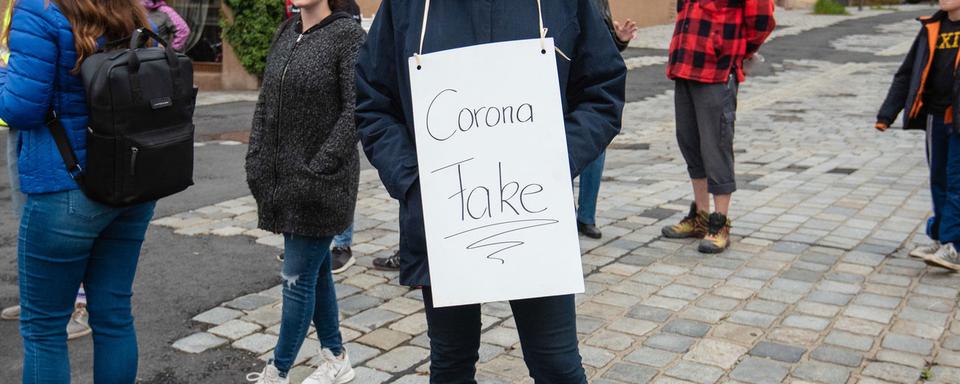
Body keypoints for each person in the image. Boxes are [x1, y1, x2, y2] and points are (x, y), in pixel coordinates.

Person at [356, 1, 626, 382]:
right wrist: (415, 182)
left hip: (534, 215)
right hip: (444, 219)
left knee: (557, 366)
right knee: (451, 363)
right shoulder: (408, 5)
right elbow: (373, 102)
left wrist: (554, 159)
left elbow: (603, 91)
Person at [0, 0, 158, 382]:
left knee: (44, 329)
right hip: (131, 183)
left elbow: (20, 108)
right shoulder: (129, 8)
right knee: (114, 316)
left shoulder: (37, 10)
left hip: (64, 187)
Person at [243, 0, 364, 382]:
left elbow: (356, 110)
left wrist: (321, 166)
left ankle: (277, 372)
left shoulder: (348, 37)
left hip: (323, 185)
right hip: (285, 181)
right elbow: (265, 103)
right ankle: (335, 356)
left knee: (295, 278)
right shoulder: (287, 31)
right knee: (315, 271)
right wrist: (255, 156)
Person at [660, 0, 775, 253]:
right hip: (685, 67)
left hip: (717, 71)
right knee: (690, 143)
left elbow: (762, 21)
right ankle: (701, 217)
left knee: (716, 146)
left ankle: (719, 222)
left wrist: (734, 51)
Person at [877, 0, 960, 270]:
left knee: (956, 180)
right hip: (935, 117)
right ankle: (940, 238)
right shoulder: (931, 26)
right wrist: (887, 114)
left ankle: (955, 245)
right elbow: (907, 72)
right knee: (939, 179)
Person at [576, 0, 638, 239]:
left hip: (587, 82)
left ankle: (586, 217)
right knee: (561, 146)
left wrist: (620, 39)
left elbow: (602, 45)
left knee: (595, 145)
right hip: (558, 79)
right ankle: (562, 211)